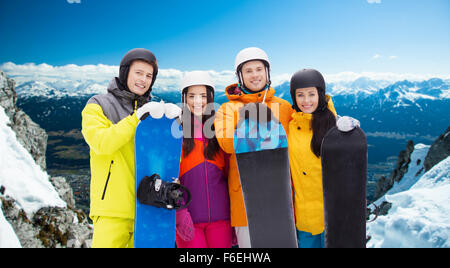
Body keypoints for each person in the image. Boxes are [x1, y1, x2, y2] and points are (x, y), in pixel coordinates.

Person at [81, 48, 180, 248]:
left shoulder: (153, 112)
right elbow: (101, 143)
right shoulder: (98, 104)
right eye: (138, 73)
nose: (143, 80)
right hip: (112, 211)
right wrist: (136, 119)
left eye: (149, 76)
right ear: (125, 72)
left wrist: (174, 126)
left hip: (148, 208)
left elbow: (162, 157)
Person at [214, 47, 294, 248]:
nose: (255, 75)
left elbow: (303, 134)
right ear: (240, 76)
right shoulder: (228, 109)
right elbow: (226, 144)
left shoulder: (284, 107)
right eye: (248, 71)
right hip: (246, 200)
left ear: (267, 73)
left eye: (259, 69)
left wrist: (330, 114)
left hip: (280, 198)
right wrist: (249, 124)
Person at [287, 68, 359, 248]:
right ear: (294, 97)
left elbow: (350, 168)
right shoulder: (290, 127)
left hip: (333, 214)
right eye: (300, 95)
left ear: (320, 94)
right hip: (304, 217)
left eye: (311, 94)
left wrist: (351, 135)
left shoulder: (335, 125)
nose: (306, 100)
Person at [175, 71, 233, 248]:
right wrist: (179, 212)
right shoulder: (177, 131)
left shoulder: (219, 130)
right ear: (184, 99)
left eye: (203, 96)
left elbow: (232, 174)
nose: (198, 101)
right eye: (192, 96)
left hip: (221, 219)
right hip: (190, 219)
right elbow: (170, 178)